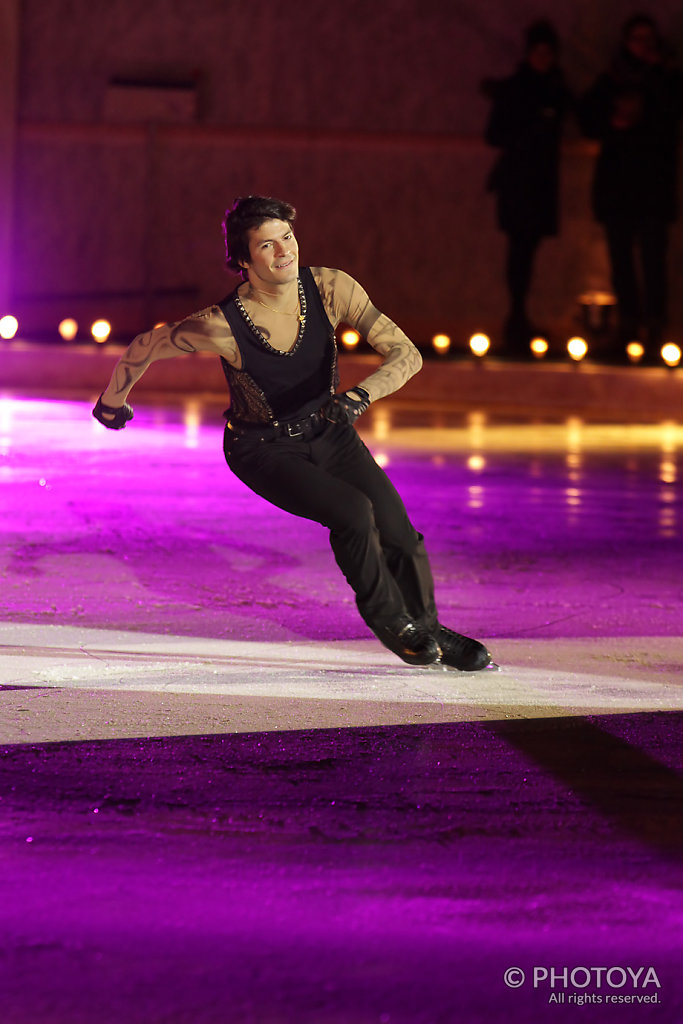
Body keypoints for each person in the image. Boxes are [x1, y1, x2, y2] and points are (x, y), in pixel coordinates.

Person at [93, 195, 493, 672]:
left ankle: (427, 629)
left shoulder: (329, 288)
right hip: (261, 448)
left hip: (330, 427)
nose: (284, 251)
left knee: (401, 535)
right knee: (353, 513)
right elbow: (147, 345)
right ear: (243, 261)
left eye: (287, 236)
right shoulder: (221, 326)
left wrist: (359, 396)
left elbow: (406, 353)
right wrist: (111, 403)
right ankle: (392, 622)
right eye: (267, 245)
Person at [579, 14, 683, 358]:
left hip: (653, 183)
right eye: (637, 38)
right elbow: (587, 119)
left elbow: (673, 111)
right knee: (620, 259)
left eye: (648, 38)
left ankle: (654, 326)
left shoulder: (667, 76)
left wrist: (657, 78)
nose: (643, 45)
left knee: (654, 259)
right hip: (618, 185)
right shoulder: (612, 78)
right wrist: (613, 121)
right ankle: (627, 325)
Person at [483, 20, 571, 356]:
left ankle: (519, 317)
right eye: (539, 52)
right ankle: (516, 317)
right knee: (520, 249)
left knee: (526, 249)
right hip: (520, 180)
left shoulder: (555, 88)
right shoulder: (519, 89)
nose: (543, 58)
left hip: (539, 180)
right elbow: (494, 134)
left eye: (548, 52)